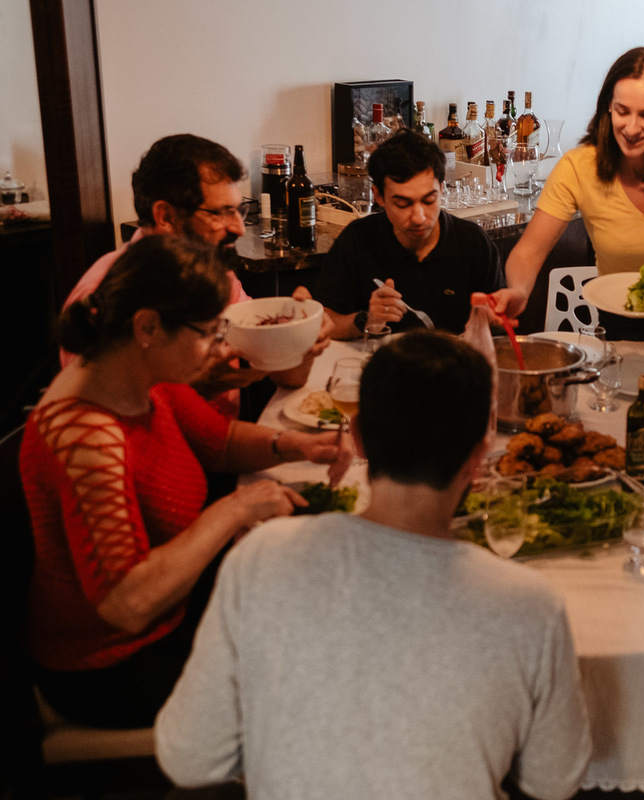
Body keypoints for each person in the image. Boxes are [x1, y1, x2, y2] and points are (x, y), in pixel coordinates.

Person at [155, 331, 592, 799]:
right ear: (479, 456)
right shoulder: (531, 606)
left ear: (358, 437)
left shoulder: (261, 557)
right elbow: (555, 781)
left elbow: (190, 757)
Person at [21, 236, 350, 729]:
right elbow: (128, 604)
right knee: (328, 670)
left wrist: (297, 446)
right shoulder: (85, 433)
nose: (221, 348)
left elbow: (218, 441)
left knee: (327, 581)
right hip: (118, 664)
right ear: (148, 325)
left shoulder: (140, 373)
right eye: (210, 332)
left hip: (176, 611)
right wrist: (233, 511)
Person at [492, 47, 644, 416]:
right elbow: (531, 250)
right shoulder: (580, 166)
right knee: (629, 400)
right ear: (608, 105)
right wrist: (517, 290)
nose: (631, 127)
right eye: (622, 111)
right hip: (623, 302)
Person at [61, 134, 329, 418]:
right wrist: (198, 387)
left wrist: (299, 338)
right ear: (165, 216)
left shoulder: (216, 274)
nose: (238, 228)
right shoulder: (108, 294)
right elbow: (110, 426)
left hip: (224, 447)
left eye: (238, 210)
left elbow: (289, 378)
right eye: (220, 213)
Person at [315, 129, 505, 338]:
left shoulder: (473, 243)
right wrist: (367, 319)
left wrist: (493, 319)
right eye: (403, 204)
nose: (419, 217)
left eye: (428, 200)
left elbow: (501, 326)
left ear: (441, 189)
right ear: (378, 196)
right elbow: (324, 321)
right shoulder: (358, 239)